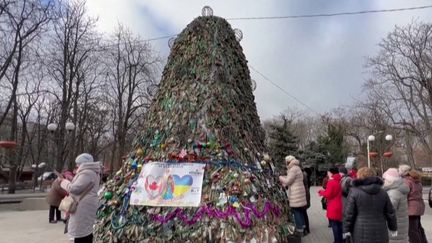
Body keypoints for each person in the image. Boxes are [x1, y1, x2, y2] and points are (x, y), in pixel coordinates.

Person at [343, 167, 397, 243]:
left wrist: (346, 230)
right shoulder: (383, 192)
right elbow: (390, 212)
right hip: (380, 229)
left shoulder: (354, 192)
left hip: (360, 230)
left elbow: (349, 214)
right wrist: (393, 228)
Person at [59, 153, 101, 243]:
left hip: (83, 207)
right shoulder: (91, 172)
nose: (76, 165)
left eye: (78, 163)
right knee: (85, 231)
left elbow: (74, 189)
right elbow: (81, 186)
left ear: (84, 163)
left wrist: (63, 182)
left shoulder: (87, 173)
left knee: (81, 233)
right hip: (86, 205)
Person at [279, 155, 307, 235]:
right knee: (300, 211)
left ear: (288, 161)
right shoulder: (297, 168)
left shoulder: (293, 169)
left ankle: (299, 230)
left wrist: (280, 177)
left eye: (286, 162)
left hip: (296, 194)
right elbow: (292, 179)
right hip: (299, 193)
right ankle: (303, 228)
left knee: (296, 211)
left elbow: (288, 181)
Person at [382, 168, 409, 243]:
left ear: (390, 180)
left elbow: (389, 210)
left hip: (395, 227)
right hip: (401, 225)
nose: (383, 181)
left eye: (385, 179)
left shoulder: (393, 192)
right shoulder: (399, 189)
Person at [319, 167, 343, 243]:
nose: (327, 174)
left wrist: (321, 192)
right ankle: (341, 240)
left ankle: (337, 240)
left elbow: (328, 194)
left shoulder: (331, 182)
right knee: (340, 224)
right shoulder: (341, 180)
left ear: (331, 173)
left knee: (334, 225)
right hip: (341, 204)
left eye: (328, 172)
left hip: (333, 206)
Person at [403, 170, 428, 243]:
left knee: (412, 230)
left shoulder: (408, 182)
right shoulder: (418, 182)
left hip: (411, 208)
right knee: (418, 227)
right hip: (419, 206)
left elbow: (405, 194)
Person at [301, 167, 311, 235]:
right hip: (306, 196)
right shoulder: (306, 176)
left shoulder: (303, 176)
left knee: (303, 213)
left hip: (304, 197)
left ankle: (306, 229)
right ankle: (307, 228)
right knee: (304, 213)